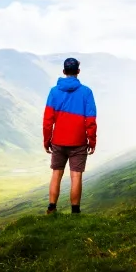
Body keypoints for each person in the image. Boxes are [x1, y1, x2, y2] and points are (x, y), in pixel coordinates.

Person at [42, 57, 97, 215]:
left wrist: (47, 141)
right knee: (76, 176)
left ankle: (51, 208)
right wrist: (92, 141)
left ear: (64, 71)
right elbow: (91, 120)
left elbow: (47, 121)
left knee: (56, 173)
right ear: (78, 72)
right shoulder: (86, 92)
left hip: (58, 141)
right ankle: (75, 212)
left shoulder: (54, 92)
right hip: (79, 142)